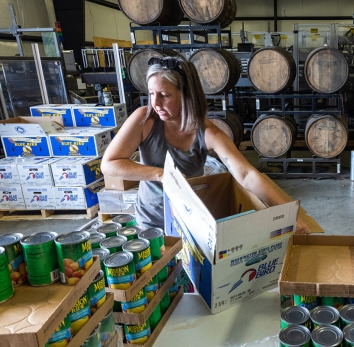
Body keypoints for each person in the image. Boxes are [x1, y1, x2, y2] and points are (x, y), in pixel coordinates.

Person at [101, 56, 309, 234]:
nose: (155, 103)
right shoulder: (144, 120)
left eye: (164, 95)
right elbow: (109, 164)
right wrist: (161, 174)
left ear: (186, 95)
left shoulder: (208, 132)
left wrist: (290, 213)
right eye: (151, 93)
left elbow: (246, 174)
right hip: (151, 221)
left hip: (191, 219)